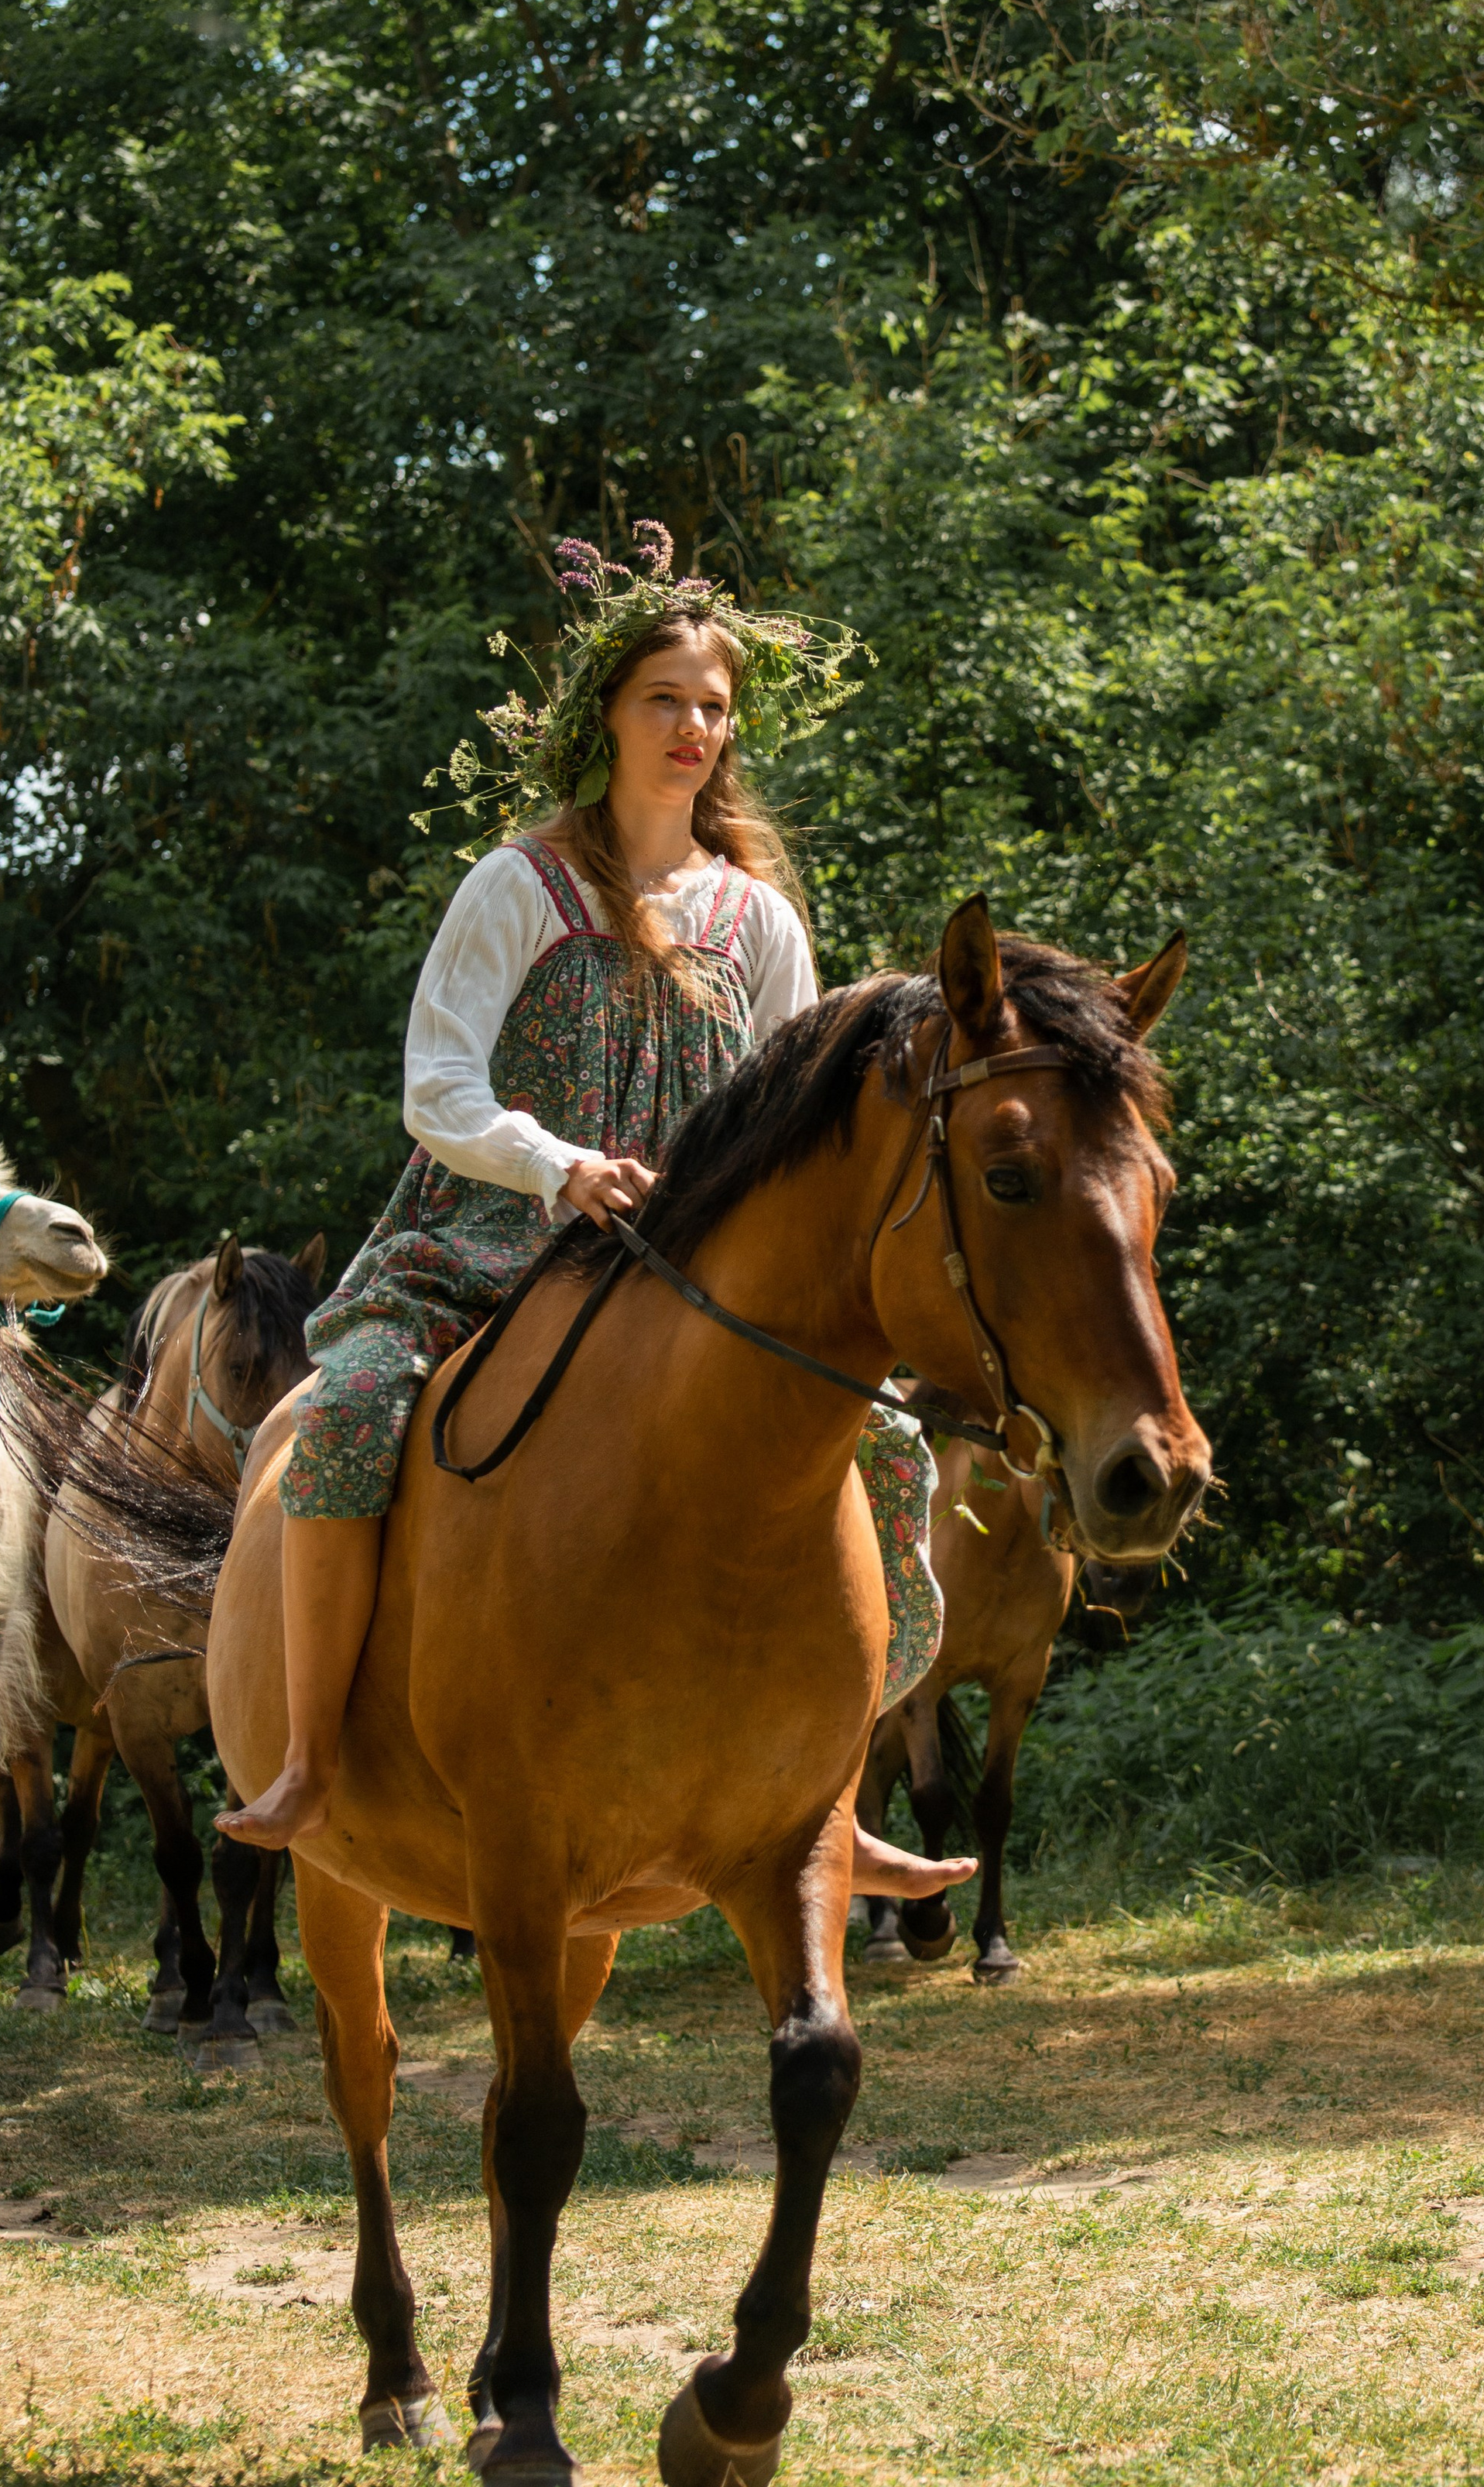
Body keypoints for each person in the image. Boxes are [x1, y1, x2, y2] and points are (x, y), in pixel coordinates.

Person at [219, 523, 965, 1916]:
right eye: (663, 700)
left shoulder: (760, 921)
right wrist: (558, 1162)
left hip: (696, 1277)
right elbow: (435, 1082)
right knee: (353, 1404)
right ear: (603, 717)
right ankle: (312, 1754)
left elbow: (800, 1129)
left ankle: (830, 1796)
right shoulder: (519, 885)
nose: (692, 727)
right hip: (493, 1242)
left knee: (894, 1449)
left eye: (714, 706)